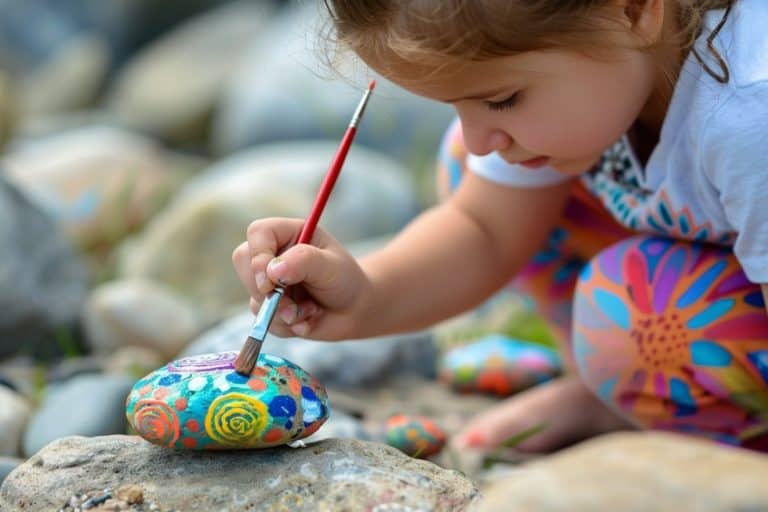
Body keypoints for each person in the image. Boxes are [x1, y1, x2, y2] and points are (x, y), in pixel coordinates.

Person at [232, 0, 768, 453]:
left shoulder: (750, 114)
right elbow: (484, 229)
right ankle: (609, 389)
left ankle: (727, 449)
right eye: (456, 106)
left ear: (632, 10)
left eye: (501, 99)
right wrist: (360, 294)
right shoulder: (609, 71)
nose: (480, 137)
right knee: (471, 164)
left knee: (637, 318)